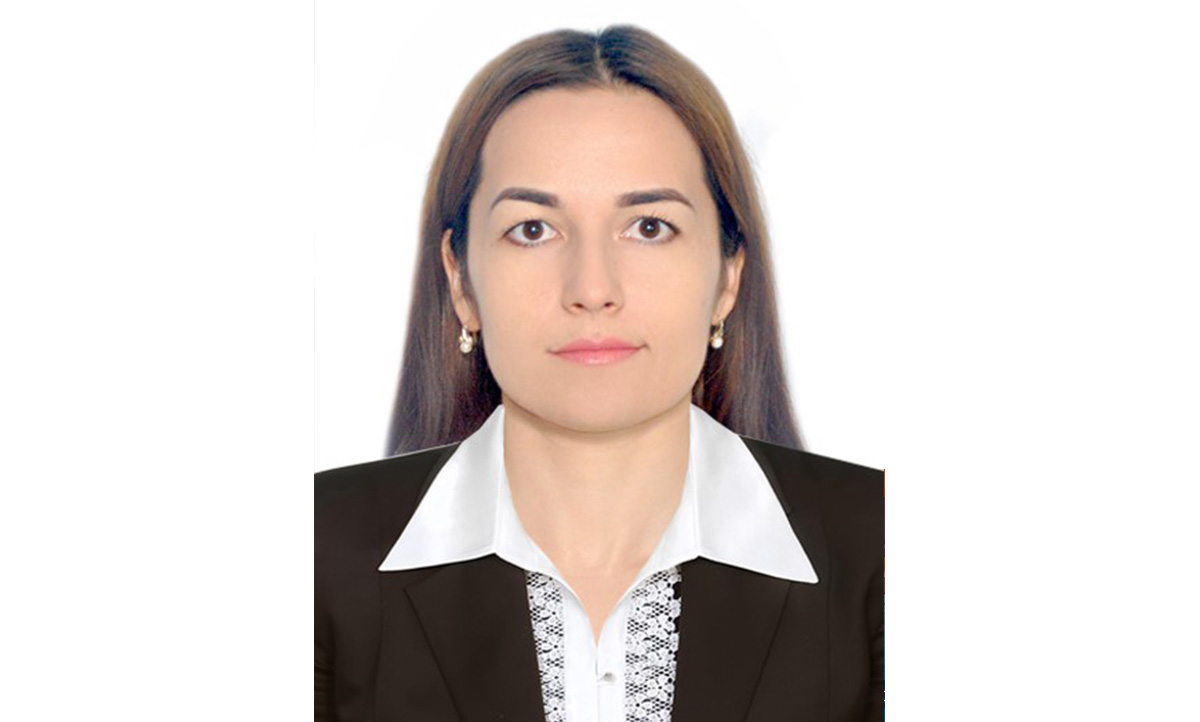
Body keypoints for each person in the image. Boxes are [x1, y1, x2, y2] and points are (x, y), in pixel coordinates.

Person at [315, 24, 883, 722]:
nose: (592, 288)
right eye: (533, 229)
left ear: (729, 277)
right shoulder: (313, 553)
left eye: (649, 227)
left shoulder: (883, 550)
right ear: (461, 281)